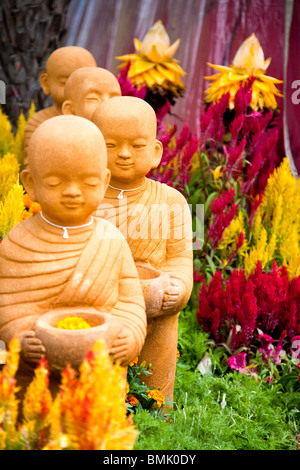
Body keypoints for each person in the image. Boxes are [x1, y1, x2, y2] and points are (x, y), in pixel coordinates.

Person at [0, 115, 146, 397]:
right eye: (55, 183)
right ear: (30, 182)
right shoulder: (17, 242)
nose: (72, 193)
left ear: (104, 182)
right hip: (35, 373)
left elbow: (130, 301)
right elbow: (7, 303)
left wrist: (130, 335)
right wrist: (19, 334)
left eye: (88, 183)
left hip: (101, 371)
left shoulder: (111, 239)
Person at [92, 96, 193, 403]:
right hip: (101, 302)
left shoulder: (172, 201)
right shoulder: (86, 201)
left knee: (162, 327)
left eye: (136, 146)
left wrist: (179, 288)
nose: (123, 154)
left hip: (155, 300)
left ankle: (155, 410)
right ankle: (100, 408)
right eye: (110, 146)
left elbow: (179, 259)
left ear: (155, 152)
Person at [23, 46, 97, 166]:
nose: (77, 90)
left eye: (86, 82)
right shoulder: (39, 123)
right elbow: (32, 167)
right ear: (46, 83)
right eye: (65, 83)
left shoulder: (101, 120)